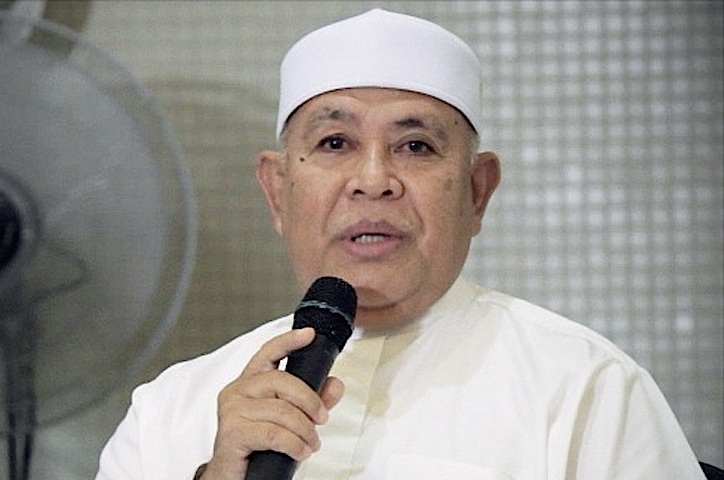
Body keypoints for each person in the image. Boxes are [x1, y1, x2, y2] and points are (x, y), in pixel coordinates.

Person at [96, 9, 707, 480]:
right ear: (278, 191)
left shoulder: (586, 389)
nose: (373, 180)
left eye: (416, 146)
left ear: (476, 192)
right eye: (335, 143)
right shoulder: (168, 412)